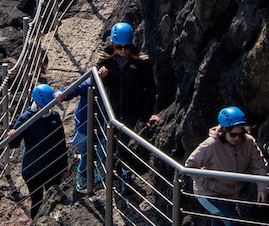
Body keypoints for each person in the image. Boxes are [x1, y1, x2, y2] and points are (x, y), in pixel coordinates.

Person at [75, 21, 161, 193]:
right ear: (113, 45)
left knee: (121, 144)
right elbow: (96, 83)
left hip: (131, 110)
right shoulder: (106, 60)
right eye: (118, 47)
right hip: (111, 110)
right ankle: (116, 174)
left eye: (126, 47)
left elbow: (151, 89)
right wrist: (103, 77)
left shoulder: (141, 62)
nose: (122, 51)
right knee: (111, 145)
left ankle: (125, 174)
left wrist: (145, 115)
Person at [185, 106, 269, 226]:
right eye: (233, 135)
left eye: (241, 134)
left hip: (230, 193)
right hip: (208, 194)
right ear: (223, 131)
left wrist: (263, 187)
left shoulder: (249, 143)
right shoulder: (210, 145)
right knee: (233, 222)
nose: (237, 138)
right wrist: (211, 184)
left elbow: (259, 165)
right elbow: (189, 166)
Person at [18, 84, 70, 201]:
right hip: (32, 169)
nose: (46, 110)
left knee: (54, 199)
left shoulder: (55, 116)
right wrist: (12, 134)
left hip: (52, 168)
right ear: (36, 104)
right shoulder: (25, 118)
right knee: (36, 201)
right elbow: (14, 144)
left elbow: (61, 142)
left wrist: (64, 167)